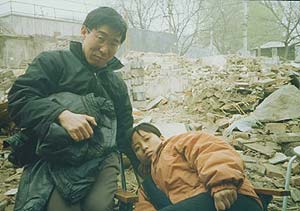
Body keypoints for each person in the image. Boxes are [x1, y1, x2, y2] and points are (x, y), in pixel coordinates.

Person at [7, 7, 136, 211]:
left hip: (101, 158)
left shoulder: (116, 84)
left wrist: (148, 151)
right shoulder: (53, 63)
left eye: (114, 43)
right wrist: (59, 115)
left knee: (98, 207)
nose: (105, 49)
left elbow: (124, 128)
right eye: (101, 37)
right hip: (56, 154)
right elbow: (19, 99)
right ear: (84, 31)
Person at [128, 123, 263, 211]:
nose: (144, 147)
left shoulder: (178, 142)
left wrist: (222, 183)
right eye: (137, 148)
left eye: (147, 139)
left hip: (225, 198)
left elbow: (210, 150)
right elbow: (143, 206)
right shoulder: (147, 184)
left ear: (161, 137)